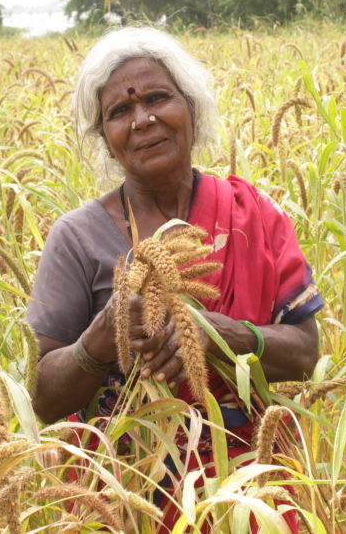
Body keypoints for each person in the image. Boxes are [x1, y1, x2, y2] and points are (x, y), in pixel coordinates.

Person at [25, 26, 323, 529]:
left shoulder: (255, 216)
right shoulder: (78, 238)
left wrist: (221, 336)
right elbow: (43, 397)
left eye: (158, 98)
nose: (143, 120)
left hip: (251, 492)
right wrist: (102, 336)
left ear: (191, 107)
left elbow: (305, 352)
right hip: (124, 496)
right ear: (105, 139)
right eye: (119, 112)